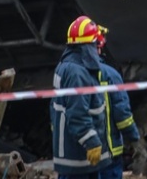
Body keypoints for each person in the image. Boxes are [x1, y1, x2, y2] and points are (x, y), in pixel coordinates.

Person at [51, 16, 112, 178]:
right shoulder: (77, 73)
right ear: (88, 46)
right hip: (78, 158)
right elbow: (77, 113)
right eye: (96, 44)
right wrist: (91, 142)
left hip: (72, 155)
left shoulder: (66, 66)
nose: (99, 50)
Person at [94, 24, 145, 179]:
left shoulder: (67, 74)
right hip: (108, 153)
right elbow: (122, 114)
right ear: (100, 45)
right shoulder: (109, 75)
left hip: (79, 156)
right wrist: (136, 142)